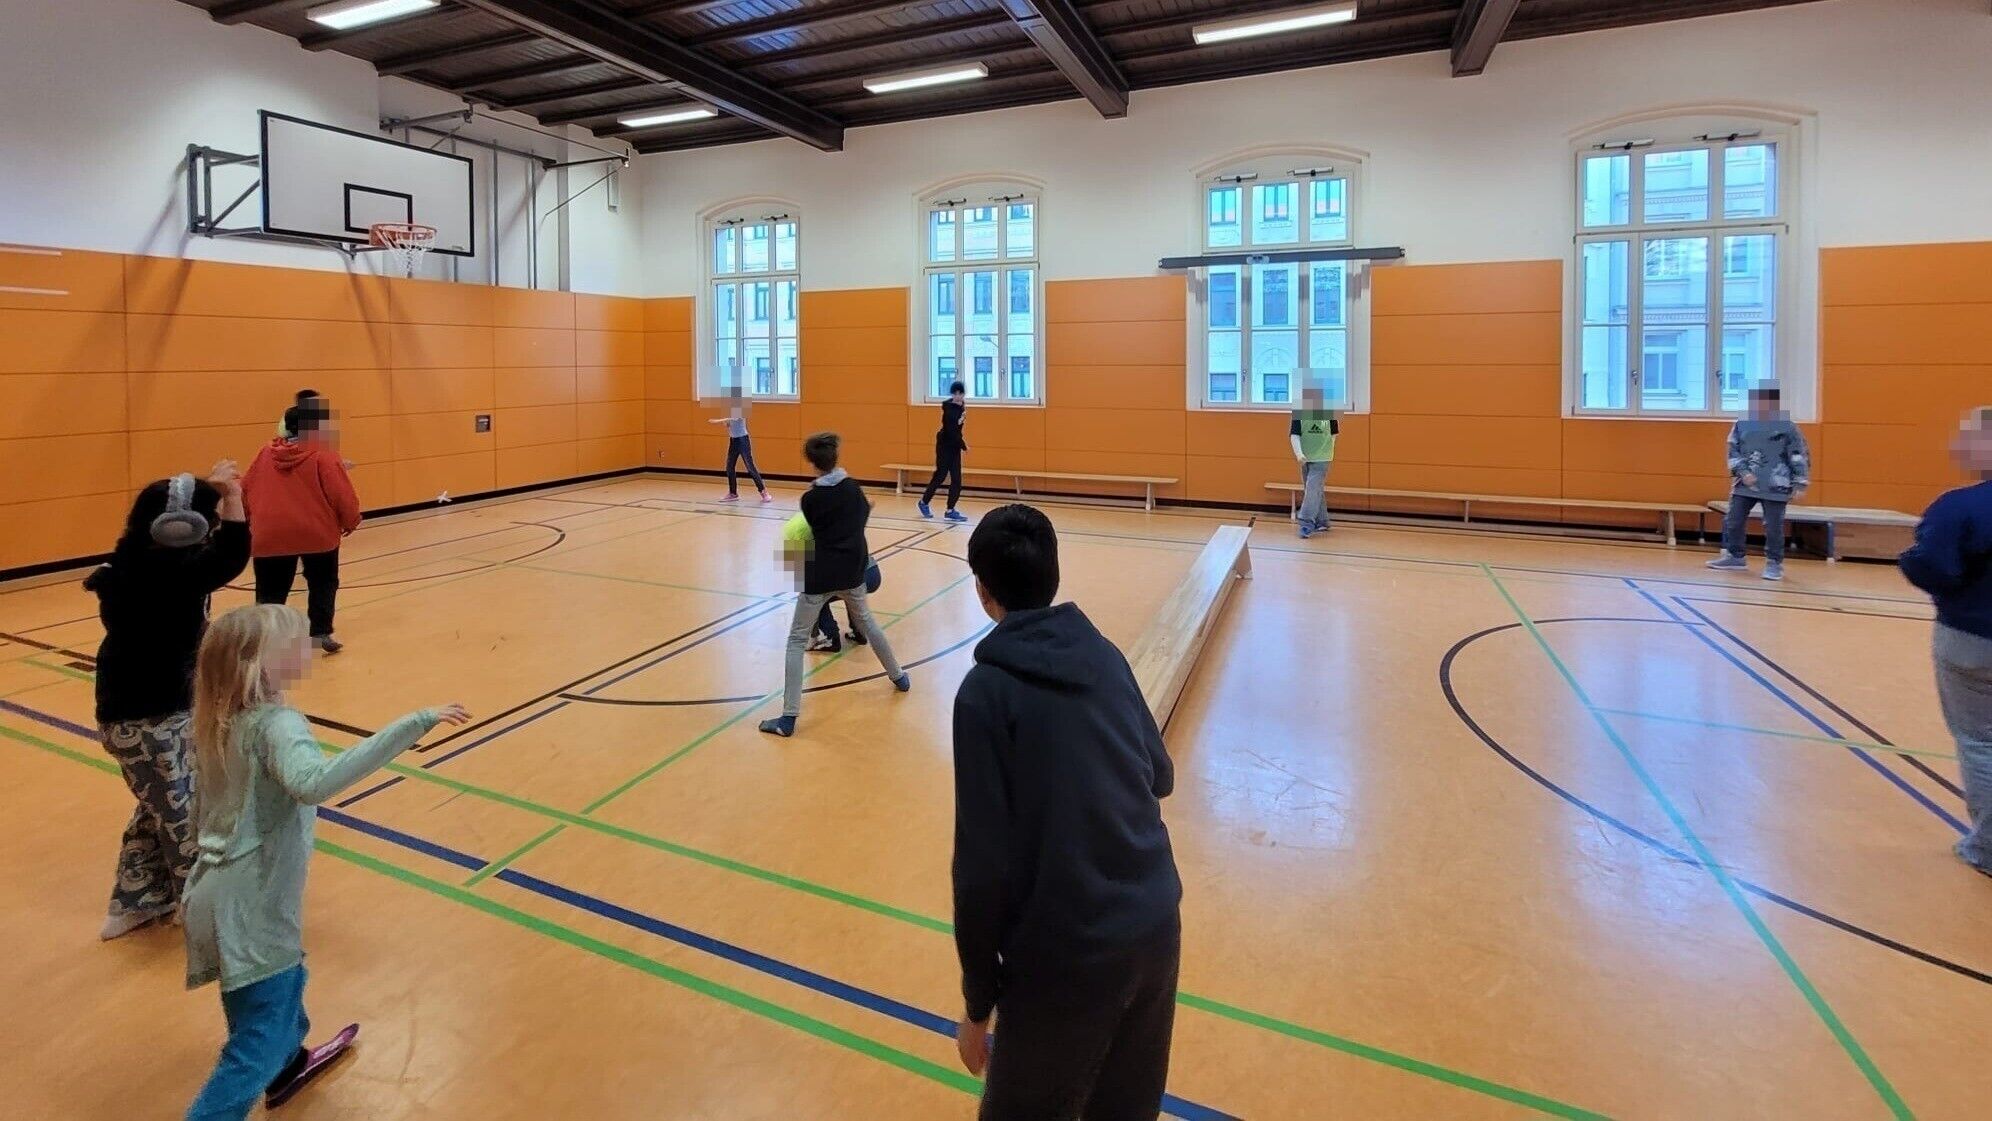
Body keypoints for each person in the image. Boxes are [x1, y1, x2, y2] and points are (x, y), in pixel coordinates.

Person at [181, 603, 468, 1120]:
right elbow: (313, 784)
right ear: (259, 665)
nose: (307, 649)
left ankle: (289, 1065)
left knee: (266, 998)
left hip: (213, 892)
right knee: (255, 1040)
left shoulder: (218, 721)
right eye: (294, 644)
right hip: (251, 902)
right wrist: (412, 725)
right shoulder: (276, 723)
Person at [950, 504, 1183, 1120]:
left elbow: (980, 868)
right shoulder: (1103, 654)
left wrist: (979, 1005)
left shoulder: (984, 693)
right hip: (1155, 925)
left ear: (982, 591)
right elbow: (1160, 774)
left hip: (1066, 954)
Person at [83, 464, 252, 940]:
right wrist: (233, 494)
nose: (213, 529)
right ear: (183, 527)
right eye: (208, 521)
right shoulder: (172, 573)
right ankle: (204, 915)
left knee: (157, 806)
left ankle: (133, 900)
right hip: (152, 717)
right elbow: (233, 555)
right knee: (185, 818)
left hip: (137, 714)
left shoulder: (130, 564)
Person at [759, 433, 909, 737]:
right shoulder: (853, 489)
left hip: (821, 576)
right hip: (853, 572)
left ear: (812, 463)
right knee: (868, 624)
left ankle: (788, 718)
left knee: (796, 641)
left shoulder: (811, 499)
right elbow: (861, 515)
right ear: (835, 458)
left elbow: (814, 531)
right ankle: (899, 677)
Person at [1899, 406, 1992, 879]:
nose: (1957, 444)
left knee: (1980, 742)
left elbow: (1934, 567)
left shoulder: (1959, 508)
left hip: (1972, 639)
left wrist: (1910, 561)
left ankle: (1989, 850)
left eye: (1968, 435)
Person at [244, 398, 361, 653]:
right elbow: (341, 493)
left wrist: (245, 522)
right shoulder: (324, 454)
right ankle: (320, 632)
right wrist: (351, 520)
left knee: (270, 589)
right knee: (323, 581)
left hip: (269, 533)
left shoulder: (265, 453)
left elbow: (247, 489)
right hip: (315, 531)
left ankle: (265, 639)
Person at [1707, 384, 1810, 581]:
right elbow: (1733, 450)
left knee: (1773, 525)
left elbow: (1798, 454)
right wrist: (1743, 472)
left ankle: (1774, 563)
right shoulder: (1742, 424)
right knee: (1733, 520)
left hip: (1776, 485)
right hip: (1745, 484)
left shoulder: (1788, 427)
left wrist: (1800, 482)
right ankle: (1735, 556)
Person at [1289, 386, 1339, 539]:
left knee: (1312, 488)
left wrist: (1327, 450)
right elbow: (1294, 436)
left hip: (1322, 459)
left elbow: (1334, 434)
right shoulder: (1299, 415)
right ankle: (1322, 520)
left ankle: (1306, 523)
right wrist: (1299, 454)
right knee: (1313, 489)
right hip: (1305, 459)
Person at [707, 385, 770, 504]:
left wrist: (718, 421)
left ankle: (764, 492)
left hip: (742, 440)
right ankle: (733, 493)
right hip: (734, 441)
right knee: (729, 467)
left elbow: (734, 418)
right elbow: (730, 423)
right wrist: (726, 424)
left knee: (750, 467)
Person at [919, 380, 970, 523]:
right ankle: (924, 502)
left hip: (954, 446)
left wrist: (960, 443)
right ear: (952, 394)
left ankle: (950, 510)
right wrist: (964, 446)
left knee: (957, 480)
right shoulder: (949, 410)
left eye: (961, 393)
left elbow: (958, 430)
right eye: (956, 394)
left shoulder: (961, 406)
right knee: (940, 476)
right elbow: (951, 431)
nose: (958, 396)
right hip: (944, 446)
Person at [809, 554, 881, 654]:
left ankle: (832, 638)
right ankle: (859, 632)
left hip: (851, 578)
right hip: (872, 572)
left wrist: (813, 637)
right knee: (851, 594)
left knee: (814, 598)